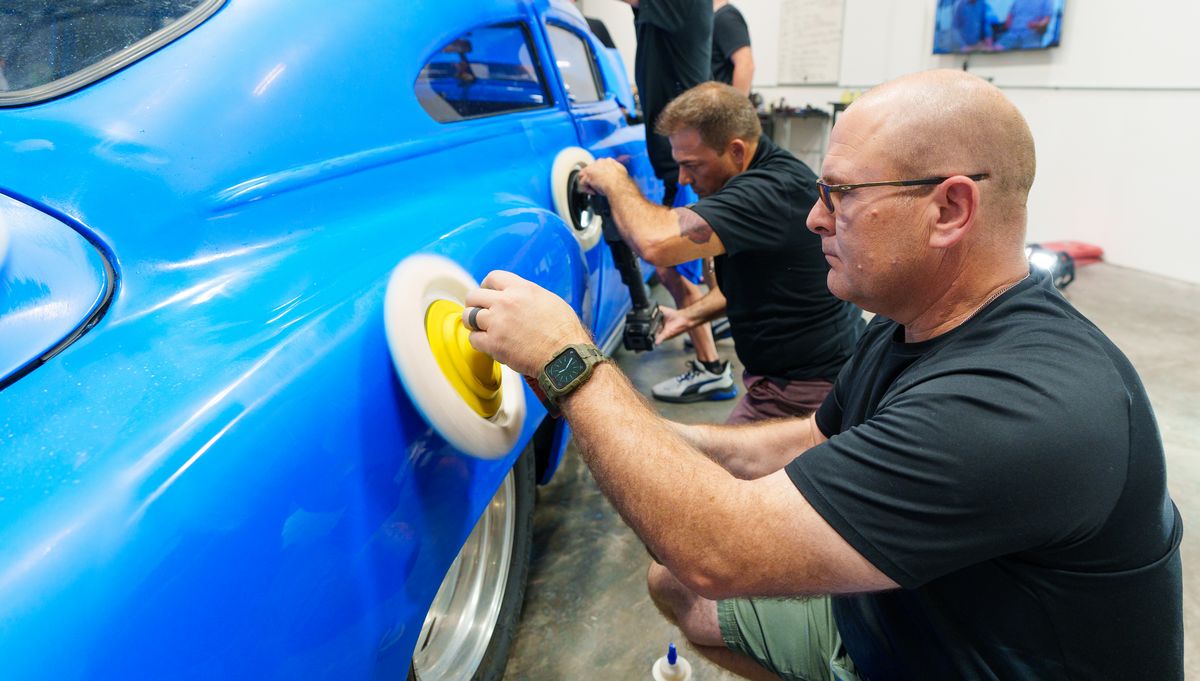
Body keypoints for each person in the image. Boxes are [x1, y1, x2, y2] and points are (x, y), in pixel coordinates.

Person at [461, 69, 1184, 679]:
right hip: (902, 623)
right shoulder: (906, 328)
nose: (813, 219)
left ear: (949, 209)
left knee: (699, 564)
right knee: (672, 583)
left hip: (953, 657)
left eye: (840, 194)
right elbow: (803, 443)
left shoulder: (1020, 406)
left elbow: (720, 549)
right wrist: (622, 419)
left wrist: (574, 368)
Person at [578, 82, 862, 415]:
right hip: (797, 376)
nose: (683, 179)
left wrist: (614, 181)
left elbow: (654, 244)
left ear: (737, 151)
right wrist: (686, 317)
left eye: (693, 165)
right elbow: (757, 289)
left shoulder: (768, 192)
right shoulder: (770, 175)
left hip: (805, 389)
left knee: (710, 465)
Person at [618, 0, 728, 401]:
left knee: (669, 266)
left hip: (683, 156)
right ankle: (711, 338)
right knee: (698, 259)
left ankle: (711, 367)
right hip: (683, 153)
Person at [711, 0, 754, 97]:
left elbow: (746, 65)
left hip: (723, 106)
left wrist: (737, 109)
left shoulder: (726, 17)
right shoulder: (713, 17)